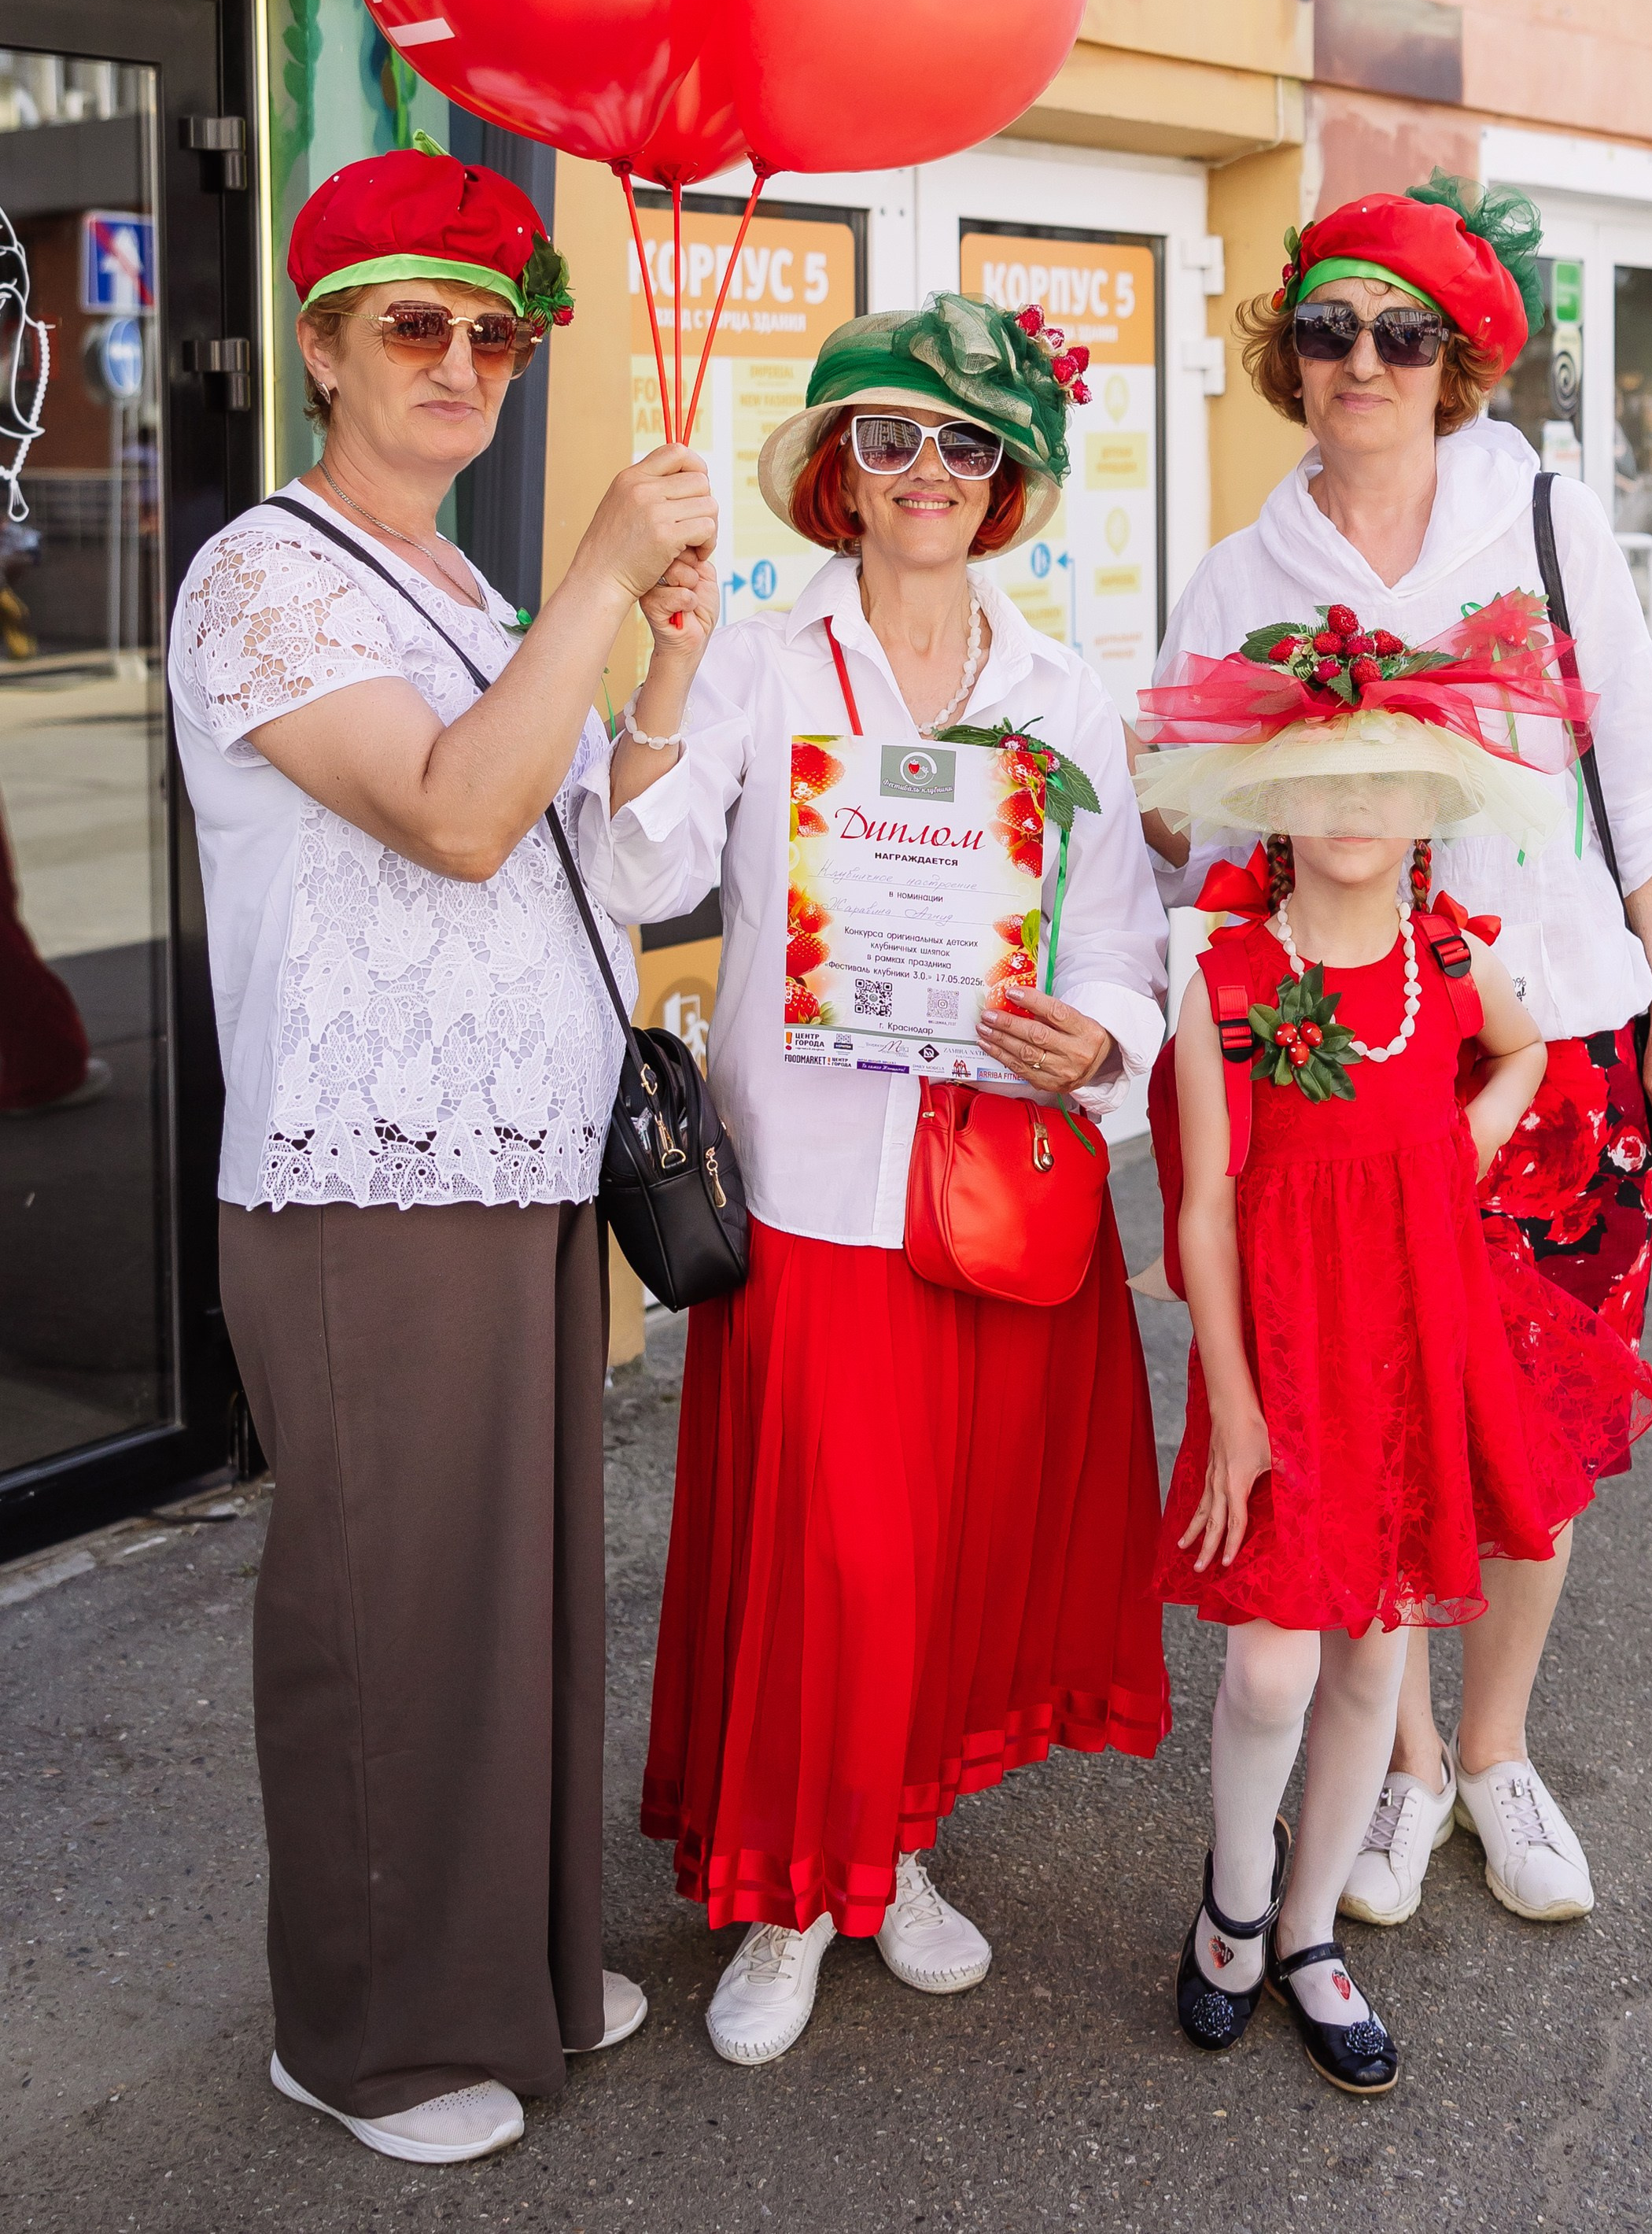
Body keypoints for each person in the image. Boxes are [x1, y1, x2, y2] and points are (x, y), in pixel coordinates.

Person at [168, 146, 717, 2166]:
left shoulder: (477, 588)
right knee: (388, 1606)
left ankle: (528, 1969)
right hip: (356, 1175)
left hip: (515, 1153)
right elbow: (453, 814)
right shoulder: (264, 573)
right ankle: (371, 2030)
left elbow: (607, 850)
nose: (465, 361)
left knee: (520, 1592)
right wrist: (591, 583)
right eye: (418, 321)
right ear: (322, 346)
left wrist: (654, 652)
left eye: (499, 332)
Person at [1138, 172, 1652, 1931]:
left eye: (1405, 334)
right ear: (1290, 358)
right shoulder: (1243, 572)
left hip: (1546, 1040)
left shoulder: (1542, 519)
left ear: (1460, 359)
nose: (1364, 361)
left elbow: (1641, 763)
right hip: (1339, 1075)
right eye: (1328, 329)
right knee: (1370, 1427)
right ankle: (1392, 1772)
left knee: (1527, 1428)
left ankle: (1494, 1751)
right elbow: (1187, 832)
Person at [588, 293, 1171, 2068]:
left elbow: (1132, 943)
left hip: (1000, 1192)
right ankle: (785, 1888)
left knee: (947, 1550)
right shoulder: (766, 665)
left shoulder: (1068, 692)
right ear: (837, 473)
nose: (928, 470)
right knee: (824, 1551)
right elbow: (634, 864)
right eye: (892, 437)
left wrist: (1107, 1034)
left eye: (966, 443)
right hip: (822, 1197)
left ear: (1007, 483)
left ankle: (894, 1845)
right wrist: (671, 656)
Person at [1137, 622, 1652, 2090]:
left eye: (1385, 776)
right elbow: (1204, 1202)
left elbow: (1532, 1049)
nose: (1353, 803)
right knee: (1266, 1667)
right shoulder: (1226, 979)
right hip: (1284, 1354)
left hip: (1411, 1341)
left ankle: (1308, 1933)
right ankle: (1233, 1903)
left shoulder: (1444, 960)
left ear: (1429, 801)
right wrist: (1232, 1407)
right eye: (1320, 773)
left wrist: (1460, 1146)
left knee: (1376, 1648)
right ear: (1270, 794)